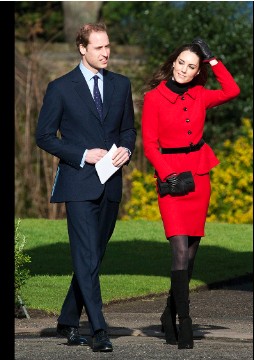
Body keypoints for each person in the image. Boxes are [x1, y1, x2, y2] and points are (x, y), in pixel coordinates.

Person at [35, 22, 136, 352]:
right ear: (82, 48)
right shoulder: (60, 88)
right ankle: (99, 329)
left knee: (94, 258)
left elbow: (128, 131)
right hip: (78, 184)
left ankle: (67, 319)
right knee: (87, 255)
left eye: (108, 46)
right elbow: (45, 136)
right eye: (98, 47)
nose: (105, 53)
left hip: (111, 184)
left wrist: (126, 149)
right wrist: (81, 154)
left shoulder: (121, 85)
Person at [141, 37, 240, 349]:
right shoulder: (153, 98)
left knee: (193, 251)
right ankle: (184, 321)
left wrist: (211, 58)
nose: (184, 69)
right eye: (181, 63)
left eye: (191, 66)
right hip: (172, 179)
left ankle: (169, 313)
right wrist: (169, 175)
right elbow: (149, 145)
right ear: (173, 63)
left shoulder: (199, 94)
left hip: (198, 175)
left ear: (198, 71)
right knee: (179, 249)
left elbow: (232, 90)